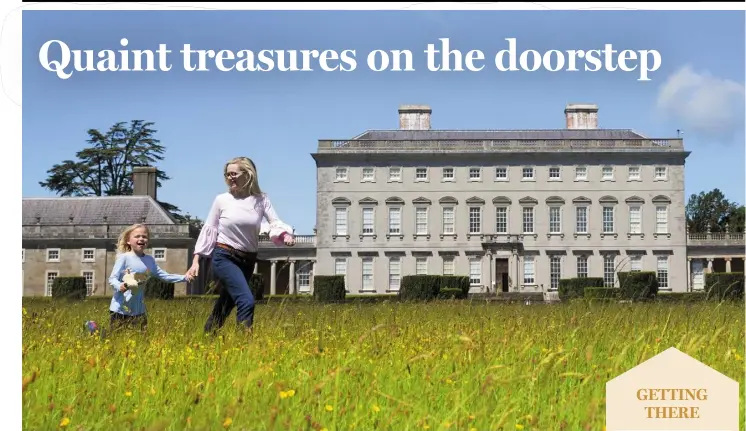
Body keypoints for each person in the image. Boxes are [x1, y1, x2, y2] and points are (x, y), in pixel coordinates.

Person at [187, 156, 295, 334]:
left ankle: (207, 335)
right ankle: (243, 341)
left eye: (234, 174)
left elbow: (274, 221)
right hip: (224, 256)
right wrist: (196, 261)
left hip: (247, 260)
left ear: (248, 175)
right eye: (227, 175)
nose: (230, 178)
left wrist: (284, 235)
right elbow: (210, 228)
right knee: (246, 300)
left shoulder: (261, 200)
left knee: (226, 303)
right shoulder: (222, 200)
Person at [108, 223, 192, 332]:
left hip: (139, 310)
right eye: (137, 236)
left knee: (142, 341)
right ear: (128, 241)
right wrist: (120, 286)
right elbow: (112, 279)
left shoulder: (149, 260)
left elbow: (164, 276)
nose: (141, 239)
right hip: (120, 310)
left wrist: (185, 277)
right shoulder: (124, 258)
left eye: (144, 236)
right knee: (117, 341)